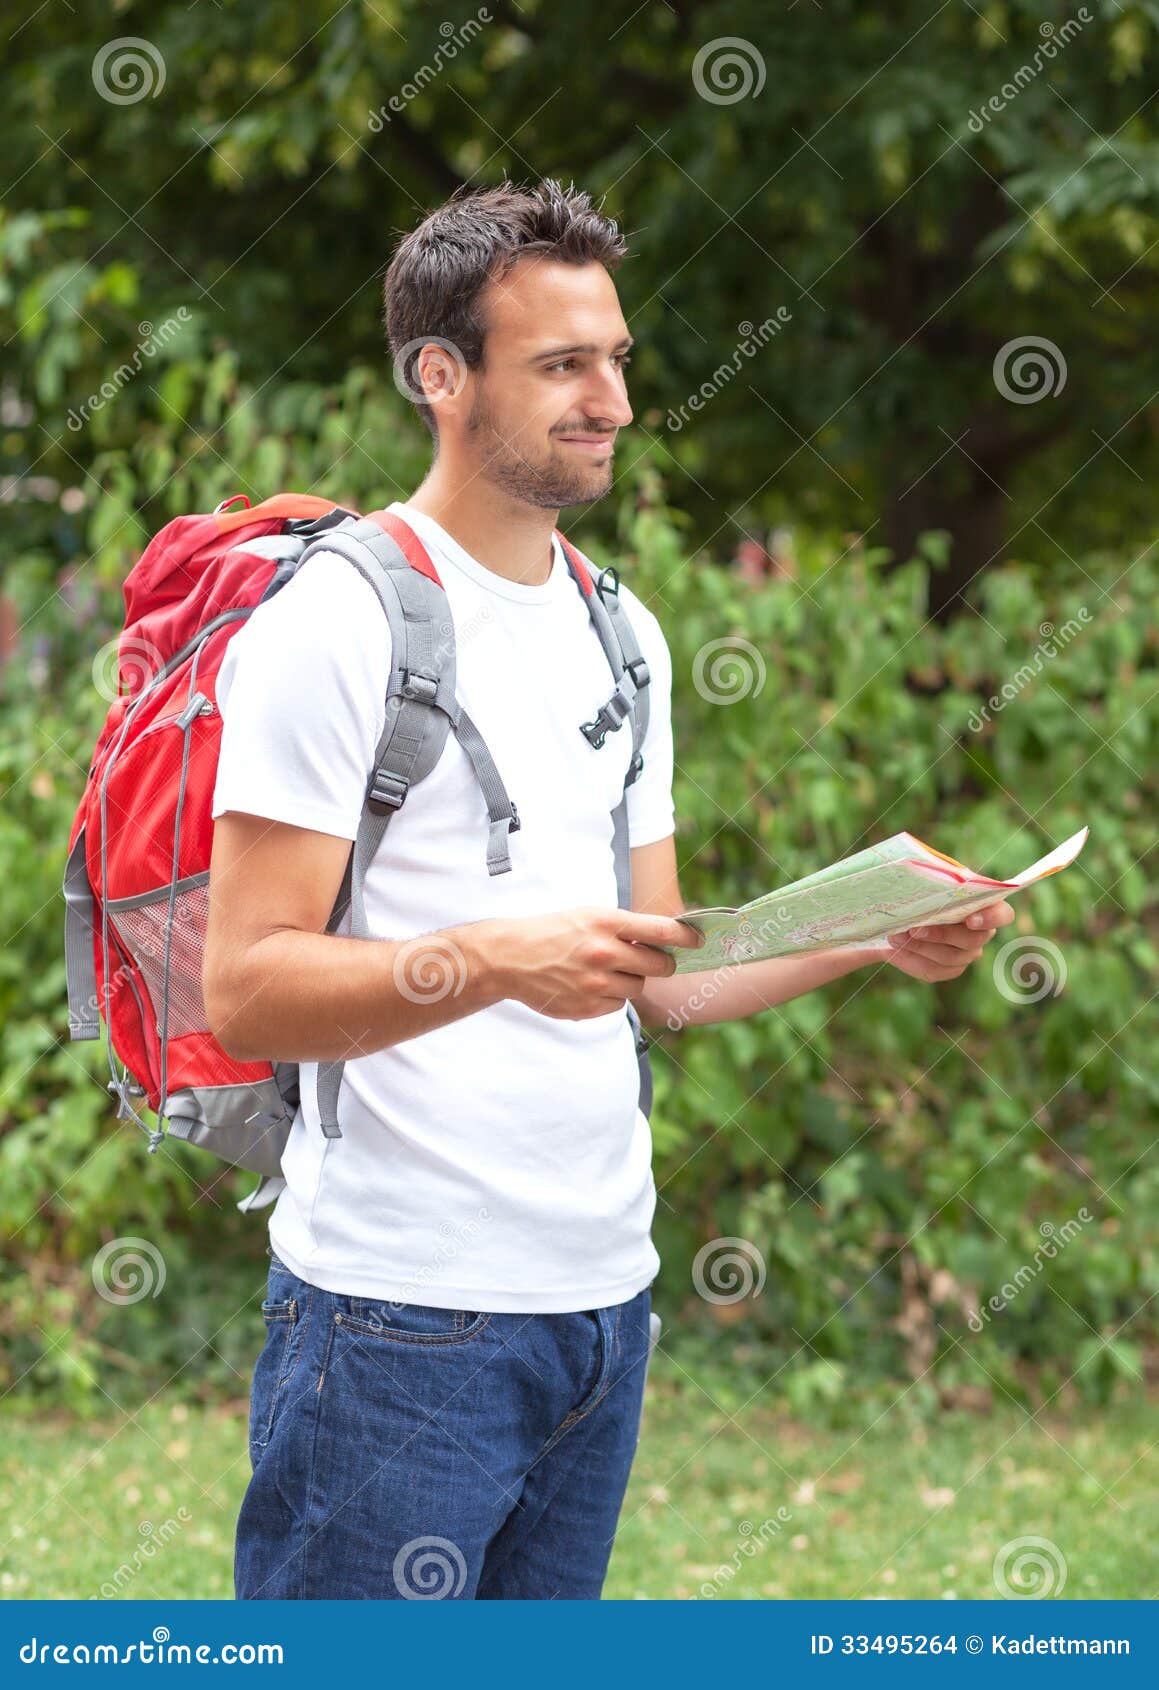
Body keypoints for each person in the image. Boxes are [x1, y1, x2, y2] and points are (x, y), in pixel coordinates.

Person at [204, 179, 1014, 1601]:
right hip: (400, 1318)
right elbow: (248, 984)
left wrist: (876, 933)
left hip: (599, 1311)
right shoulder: (333, 622)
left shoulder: (618, 629)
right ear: (439, 376)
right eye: (564, 364)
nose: (614, 400)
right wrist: (497, 961)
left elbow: (667, 979)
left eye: (619, 358)